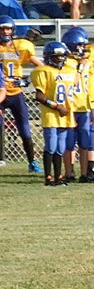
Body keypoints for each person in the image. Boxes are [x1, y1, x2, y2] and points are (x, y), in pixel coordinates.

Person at [62, 26, 94, 182]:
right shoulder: (66, 63)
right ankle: (69, 173)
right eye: (79, 46)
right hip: (70, 107)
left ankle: (85, 173)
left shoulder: (90, 59)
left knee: (85, 141)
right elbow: (71, 83)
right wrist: (80, 67)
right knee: (69, 142)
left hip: (86, 107)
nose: (83, 49)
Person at [0, 16, 44, 173]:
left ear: (13, 30)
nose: (6, 32)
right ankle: (1, 159)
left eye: (8, 29)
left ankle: (32, 162)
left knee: (25, 128)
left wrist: (27, 81)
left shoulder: (21, 47)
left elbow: (42, 68)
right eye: (3, 28)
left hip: (16, 93)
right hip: (0, 92)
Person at [30, 41, 76, 185]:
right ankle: (48, 177)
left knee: (61, 148)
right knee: (51, 145)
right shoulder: (43, 71)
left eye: (61, 56)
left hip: (66, 114)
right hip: (51, 113)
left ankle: (59, 177)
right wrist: (56, 106)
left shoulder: (70, 70)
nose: (59, 59)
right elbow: (39, 96)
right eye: (56, 56)